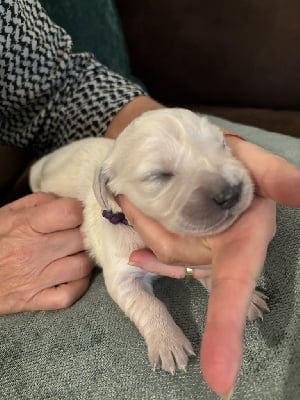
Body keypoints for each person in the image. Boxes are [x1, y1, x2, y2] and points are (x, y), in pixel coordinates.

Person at [0, 1, 299, 398]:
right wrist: (158, 327)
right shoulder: (104, 201)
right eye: (161, 175)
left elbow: (59, 86)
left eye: (215, 146)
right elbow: (125, 282)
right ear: (109, 192)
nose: (224, 186)